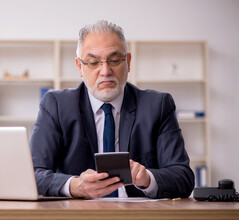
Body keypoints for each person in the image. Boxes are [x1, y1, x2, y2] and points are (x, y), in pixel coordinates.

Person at [30, 20, 194, 199]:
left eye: (114, 60)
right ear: (80, 67)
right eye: (93, 63)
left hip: (138, 218)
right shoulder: (56, 105)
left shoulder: (158, 105)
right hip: (76, 218)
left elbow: (183, 177)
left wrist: (147, 179)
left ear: (128, 62)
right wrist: (75, 186)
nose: (105, 71)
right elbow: (33, 174)